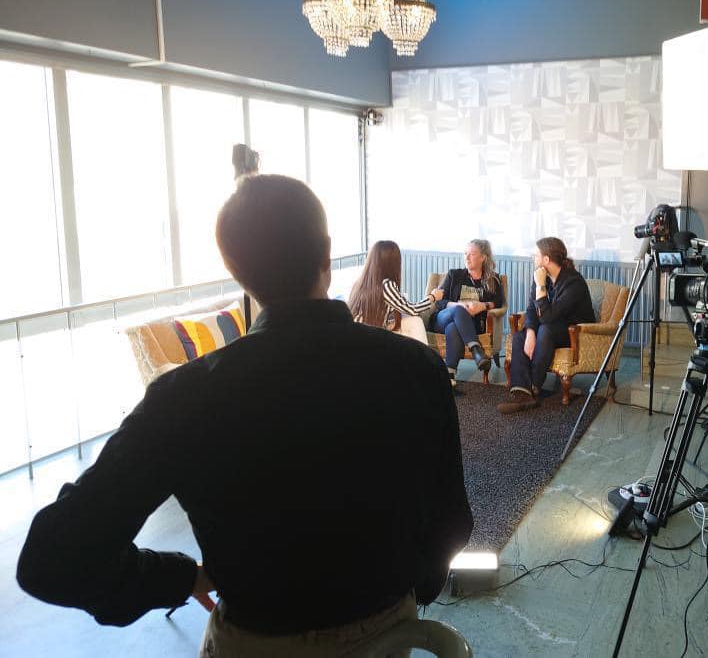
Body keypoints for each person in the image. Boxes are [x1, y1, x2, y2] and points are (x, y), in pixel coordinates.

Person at [17, 174, 472, 657]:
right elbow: (451, 520)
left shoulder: (184, 397)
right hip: (387, 635)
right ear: (326, 253)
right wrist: (408, 588)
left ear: (236, 269)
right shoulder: (416, 368)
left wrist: (178, 578)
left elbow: (52, 559)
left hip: (253, 640)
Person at [501, 237, 595, 415]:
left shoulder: (573, 282)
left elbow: (548, 317)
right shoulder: (540, 276)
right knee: (520, 336)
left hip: (575, 332)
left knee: (545, 329)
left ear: (546, 259)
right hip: (552, 327)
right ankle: (522, 391)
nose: (533, 258)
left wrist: (541, 286)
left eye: (536, 255)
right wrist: (530, 332)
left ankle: (533, 387)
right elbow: (531, 308)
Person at [430, 239, 505, 387]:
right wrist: (458, 306)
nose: (467, 257)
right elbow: (439, 301)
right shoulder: (454, 275)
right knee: (458, 310)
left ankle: (450, 374)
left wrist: (482, 306)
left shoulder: (492, 279)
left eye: (472, 254)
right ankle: (476, 350)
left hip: (469, 325)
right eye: (465, 254)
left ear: (482, 257)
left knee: (453, 328)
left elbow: (498, 302)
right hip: (443, 318)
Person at [348, 239, 444, 344]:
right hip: (369, 339)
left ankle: (421, 352)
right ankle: (424, 354)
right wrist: (432, 297)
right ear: (392, 263)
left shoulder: (359, 283)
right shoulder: (386, 285)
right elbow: (412, 309)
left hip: (356, 336)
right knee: (415, 321)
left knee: (412, 321)